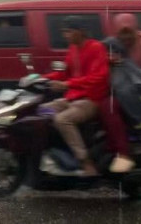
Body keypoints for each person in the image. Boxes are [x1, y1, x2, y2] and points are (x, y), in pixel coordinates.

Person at [97, 14, 141, 173]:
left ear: (137, 30)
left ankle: (123, 154)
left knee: (110, 107)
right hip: (124, 87)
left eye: (129, 33)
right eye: (122, 33)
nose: (126, 37)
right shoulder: (113, 45)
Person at [42, 16, 109, 177]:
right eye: (64, 32)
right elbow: (64, 73)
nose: (66, 35)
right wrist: (42, 78)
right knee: (41, 111)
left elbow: (98, 76)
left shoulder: (96, 48)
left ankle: (85, 162)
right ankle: (55, 153)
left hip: (91, 100)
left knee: (62, 119)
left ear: (81, 32)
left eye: (69, 31)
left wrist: (67, 84)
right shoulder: (73, 49)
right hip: (73, 98)